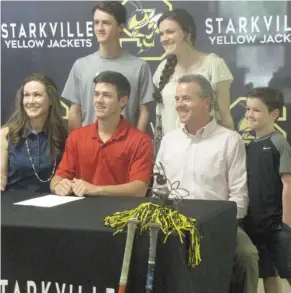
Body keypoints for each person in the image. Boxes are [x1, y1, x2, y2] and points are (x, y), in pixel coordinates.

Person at [154, 74, 259, 293]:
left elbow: (239, 197)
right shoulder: (169, 141)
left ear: (206, 102)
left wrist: (217, 224)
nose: (180, 104)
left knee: (247, 255)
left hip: (218, 225)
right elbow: (158, 188)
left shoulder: (230, 140)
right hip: (175, 225)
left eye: (187, 99)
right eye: (177, 99)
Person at [50, 71, 153, 197]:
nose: (99, 100)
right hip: (81, 212)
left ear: (123, 101)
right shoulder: (76, 137)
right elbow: (58, 177)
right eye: (96, 94)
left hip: (122, 213)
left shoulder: (141, 141)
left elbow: (140, 189)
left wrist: (96, 190)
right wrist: (58, 185)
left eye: (107, 95)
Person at [63, 1, 154, 132]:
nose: (100, 28)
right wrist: (76, 144)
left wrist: (137, 144)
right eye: (96, 22)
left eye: (106, 23)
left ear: (120, 27)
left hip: (126, 147)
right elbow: (75, 110)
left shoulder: (139, 66)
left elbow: (144, 111)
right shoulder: (81, 65)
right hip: (90, 146)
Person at [153, 9, 234, 152]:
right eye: (161, 33)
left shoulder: (214, 65)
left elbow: (225, 116)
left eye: (170, 32)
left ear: (187, 33)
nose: (164, 38)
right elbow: (159, 121)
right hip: (172, 153)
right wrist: (156, 155)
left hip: (209, 151)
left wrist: (231, 150)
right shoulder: (161, 70)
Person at [244, 87, 291, 293]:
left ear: (274, 115)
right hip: (256, 223)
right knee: (267, 273)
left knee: (287, 270)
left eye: (256, 110)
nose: (249, 114)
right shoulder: (249, 146)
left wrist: (286, 224)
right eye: (247, 109)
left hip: (277, 225)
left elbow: (288, 183)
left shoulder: (279, 143)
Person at [1, 73, 67, 193]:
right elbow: (1, 179)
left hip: (52, 204)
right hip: (13, 203)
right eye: (26, 95)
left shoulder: (63, 136)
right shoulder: (6, 134)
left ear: (51, 100)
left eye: (37, 95)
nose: (30, 101)